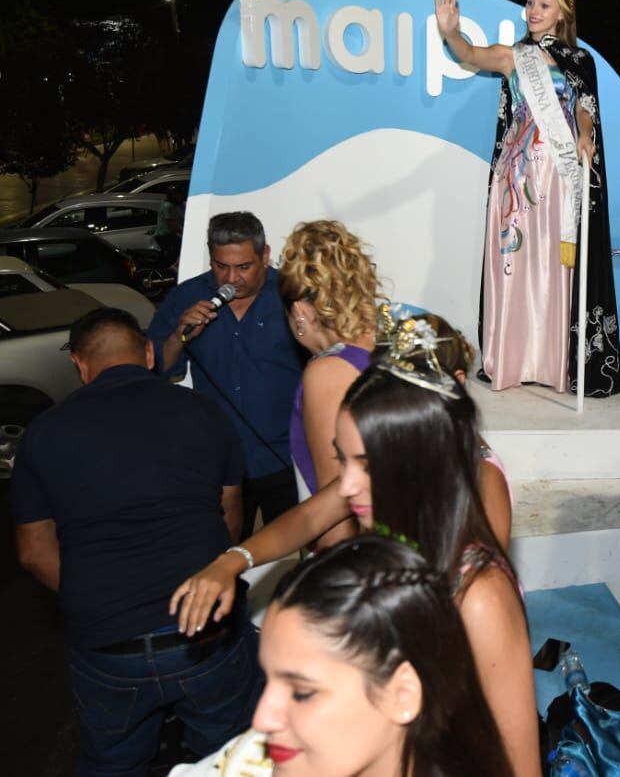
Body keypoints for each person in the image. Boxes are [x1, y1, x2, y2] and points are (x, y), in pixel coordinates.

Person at [171, 313, 536, 776]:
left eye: (364, 463)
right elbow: (308, 516)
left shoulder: (476, 593)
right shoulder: (384, 526)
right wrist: (233, 559)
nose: (345, 488)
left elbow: (515, 762)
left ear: (416, 457)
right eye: (343, 461)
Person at [11, 308, 260, 774]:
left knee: (113, 762)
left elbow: (33, 551)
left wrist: (98, 595)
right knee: (231, 756)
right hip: (204, 631)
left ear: (80, 366)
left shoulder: (43, 433)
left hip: (107, 647)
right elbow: (230, 515)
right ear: (148, 354)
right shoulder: (204, 411)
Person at [434, 0, 620, 396]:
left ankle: (553, 361)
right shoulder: (512, 55)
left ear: (563, 13)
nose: (533, 11)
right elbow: (470, 53)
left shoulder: (581, 62)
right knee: (516, 266)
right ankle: (511, 358)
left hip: (559, 178)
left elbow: (585, 108)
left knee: (553, 269)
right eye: (530, 3)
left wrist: (584, 134)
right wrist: (451, 33)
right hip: (517, 178)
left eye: (543, 5)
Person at [172, 536, 511, 777]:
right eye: (269, 680)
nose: (262, 719)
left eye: (302, 693)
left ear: (402, 694)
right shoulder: (249, 760)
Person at [147, 211, 305, 541]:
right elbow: (153, 369)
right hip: (218, 463)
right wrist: (179, 335)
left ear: (264, 255)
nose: (231, 278)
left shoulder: (294, 297)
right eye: (221, 266)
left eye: (243, 266)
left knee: (303, 560)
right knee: (221, 556)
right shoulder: (185, 297)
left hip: (288, 459)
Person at [278, 220, 380, 547]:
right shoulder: (388, 345)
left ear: (299, 310)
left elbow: (336, 510)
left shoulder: (329, 372)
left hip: (361, 565)